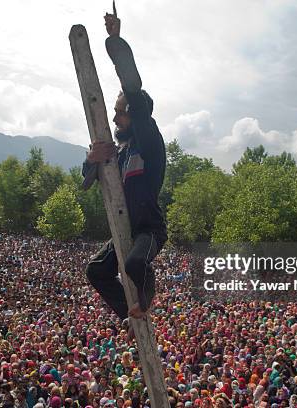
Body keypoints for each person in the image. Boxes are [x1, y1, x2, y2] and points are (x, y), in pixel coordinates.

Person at [82, 11, 167, 322]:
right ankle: (129, 316)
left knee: (134, 265)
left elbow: (136, 98)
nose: (116, 119)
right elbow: (87, 180)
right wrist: (91, 159)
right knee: (96, 271)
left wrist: (116, 45)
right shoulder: (119, 151)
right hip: (124, 229)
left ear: (137, 115)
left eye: (121, 113)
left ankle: (145, 300)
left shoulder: (149, 143)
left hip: (148, 230)